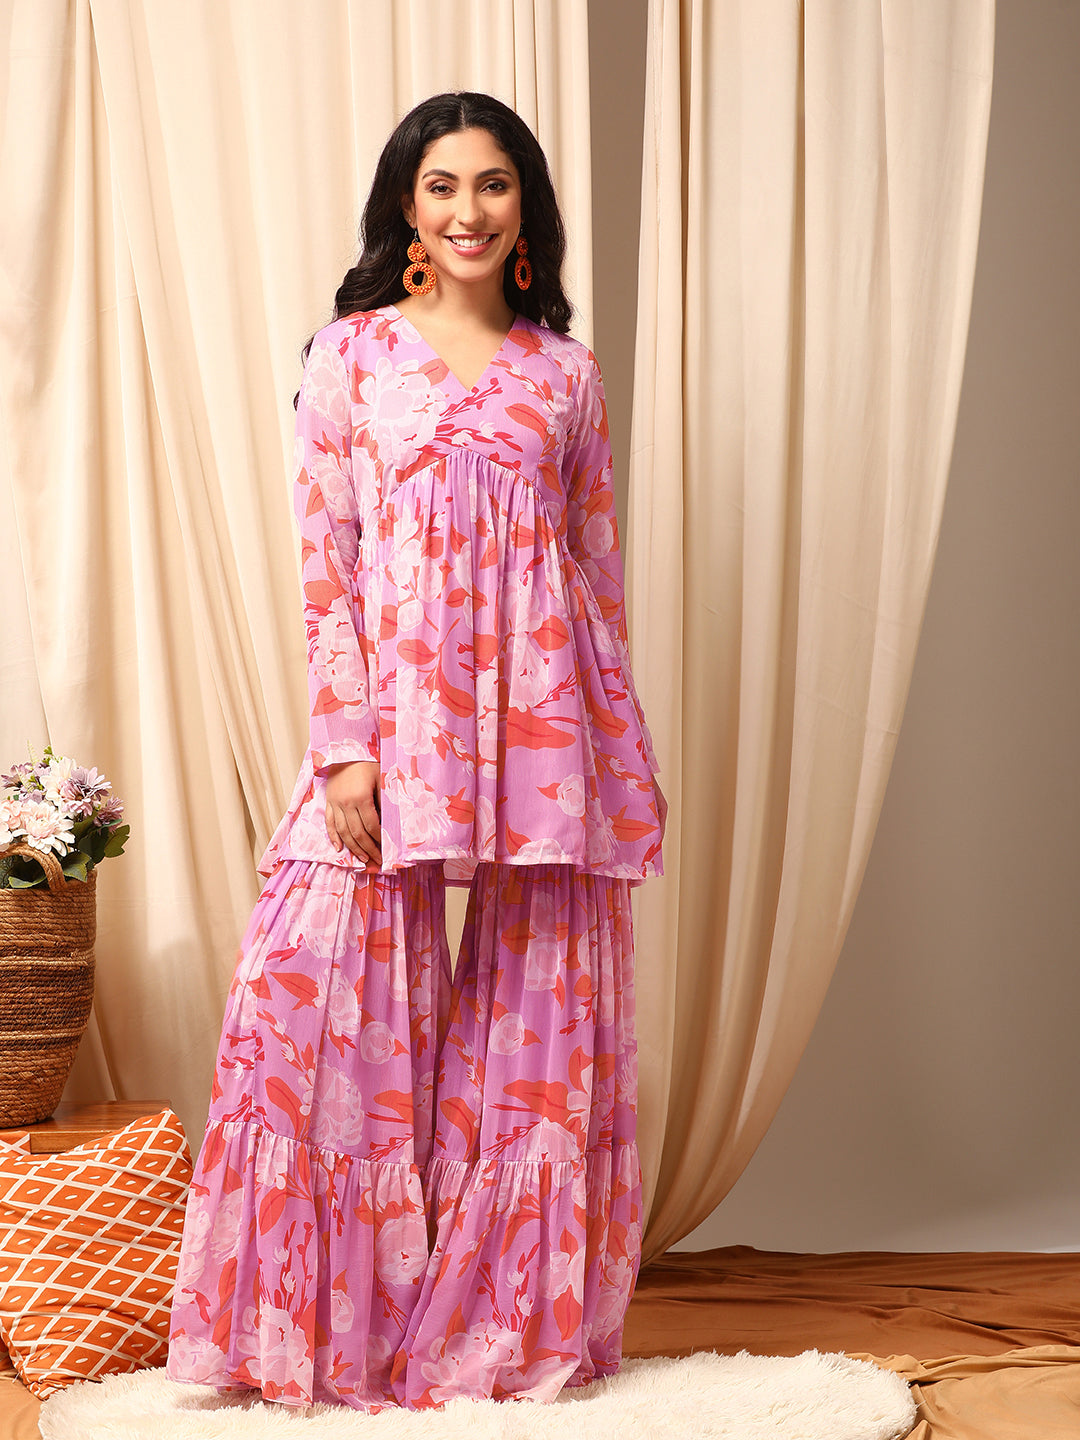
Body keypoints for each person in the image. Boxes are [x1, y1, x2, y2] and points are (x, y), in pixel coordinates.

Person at [166, 90, 664, 1412]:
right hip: (392, 726)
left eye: (493, 184)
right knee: (306, 987)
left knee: (539, 1030)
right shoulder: (351, 357)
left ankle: (501, 1326)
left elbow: (595, 578)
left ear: (525, 208)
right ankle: (334, 1324)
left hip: (546, 733)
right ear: (406, 206)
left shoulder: (565, 376)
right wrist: (346, 746)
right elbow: (326, 566)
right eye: (441, 185)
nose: (467, 210)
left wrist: (615, 757)